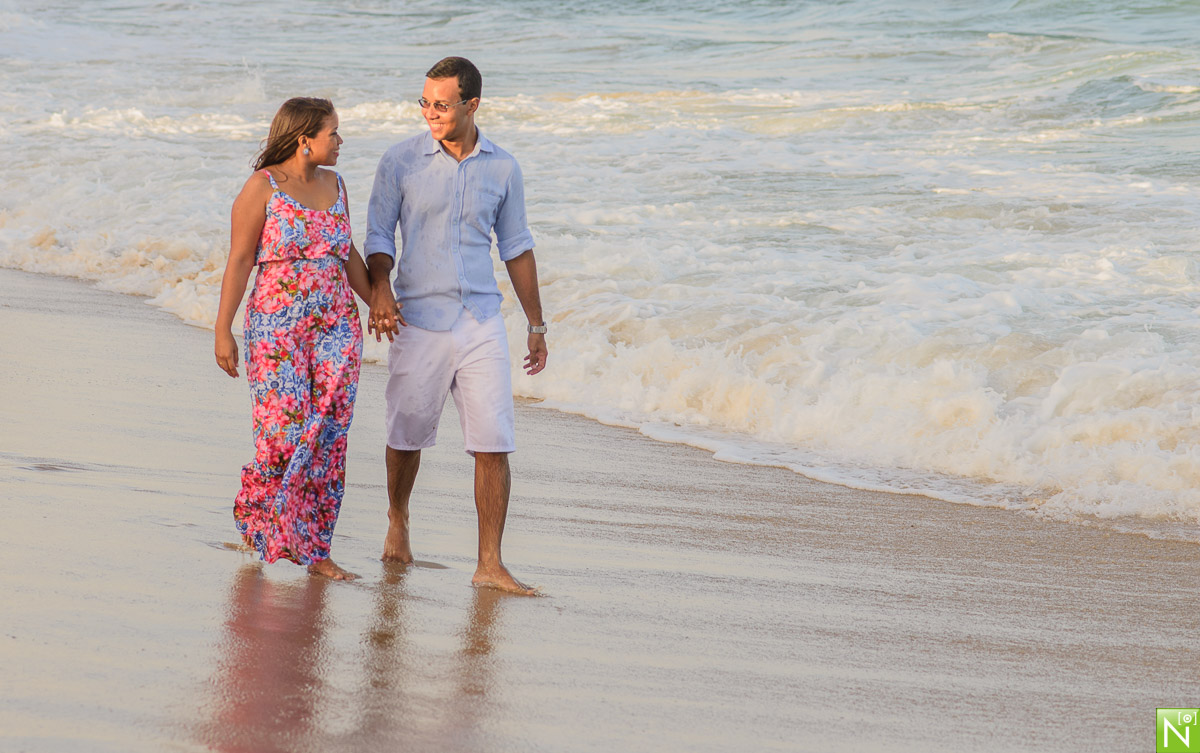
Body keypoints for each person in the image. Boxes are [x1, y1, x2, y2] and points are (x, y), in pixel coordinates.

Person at [364, 57, 547, 595]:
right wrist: (380, 291)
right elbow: (378, 236)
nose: (430, 113)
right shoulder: (399, 162)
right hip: (416, 319)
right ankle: (398, 519)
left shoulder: (503, 168)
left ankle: (489, 562)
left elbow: (516, 248)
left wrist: (537, 324)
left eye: (441, 104)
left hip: (480, 320)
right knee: (406, 435)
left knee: (494, 443)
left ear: (472, 105)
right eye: (424, 102)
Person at [214, 97, 373, 581]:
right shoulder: (262, 188)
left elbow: (348, 256)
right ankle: (256, 514)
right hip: (276, 330)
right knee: (281, 436)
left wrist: (380, 305)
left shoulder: (337, 185)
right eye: (333, 133)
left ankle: (317, 548)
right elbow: (240, 261)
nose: (340, 142)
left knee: (328, 438)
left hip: (336, 327)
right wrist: (223, 328)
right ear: (305, 139)